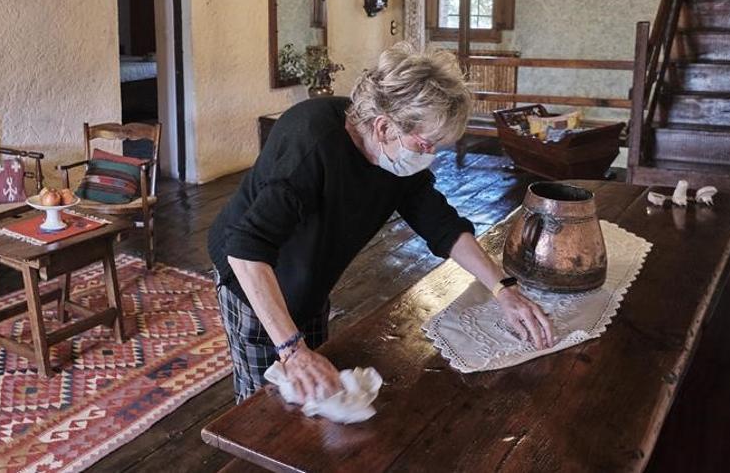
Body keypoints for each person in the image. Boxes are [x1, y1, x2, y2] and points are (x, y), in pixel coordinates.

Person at [208, 44, 554, 404]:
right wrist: (292, 350)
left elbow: (442, 224)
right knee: (263, 404)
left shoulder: (394, 157)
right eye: (425, 144)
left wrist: (504, 290)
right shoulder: (312, 142)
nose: (429, 156)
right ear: (384, 126)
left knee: (313, 389)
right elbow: (246, 249)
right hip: (251, 279)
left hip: (309, 274)